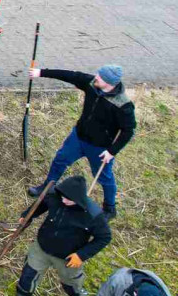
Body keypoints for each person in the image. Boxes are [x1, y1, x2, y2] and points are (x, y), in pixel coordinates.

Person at [0, 175, 112, 296]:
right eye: (62, 197)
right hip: (42, 247)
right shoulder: (55, 196)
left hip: (68, 257)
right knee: (27, 276)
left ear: (78, 198)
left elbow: (104, 238)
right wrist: (27, 216)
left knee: (72, 286)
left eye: (68, 199)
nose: (63, 201)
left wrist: (81, 255)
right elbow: (40, 205)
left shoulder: (93, 215)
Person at [25, 64, 136, 221]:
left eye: (100, 76)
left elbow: (128, 131)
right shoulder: (92, 84)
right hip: (78, 137)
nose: (96, 76)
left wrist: (112, 152)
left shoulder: (122, 105)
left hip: (99, 147)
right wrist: (41, 72)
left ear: (109, 83)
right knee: (60, 159)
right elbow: (71, 75)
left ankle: (110, 208)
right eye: (98, 74)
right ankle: (48, 187)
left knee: (104, 178)